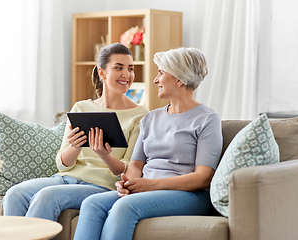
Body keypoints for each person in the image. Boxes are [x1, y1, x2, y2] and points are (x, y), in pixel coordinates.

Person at [73, 47, 223, 240]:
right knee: (92, 204)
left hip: (188, 194)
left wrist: (151, 185)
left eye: (161, 73)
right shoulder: (150, 118)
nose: (155, 80)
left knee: (125, 206)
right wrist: (128, 184)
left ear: (179, 79)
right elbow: (135, 165)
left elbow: (203, 177)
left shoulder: (207, 119)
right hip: (147, 189)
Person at [2, 43, 149, 221]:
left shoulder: (140, 115)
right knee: (14, 193)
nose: (127, 75)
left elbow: (128, 170)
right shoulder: (81, 107)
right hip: (65, 179)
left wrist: (104, 155)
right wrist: (75, 147)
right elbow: (62, 164)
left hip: (102, 186)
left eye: (130, 69)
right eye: (119, 68)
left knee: (47, 197)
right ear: (102, 73)